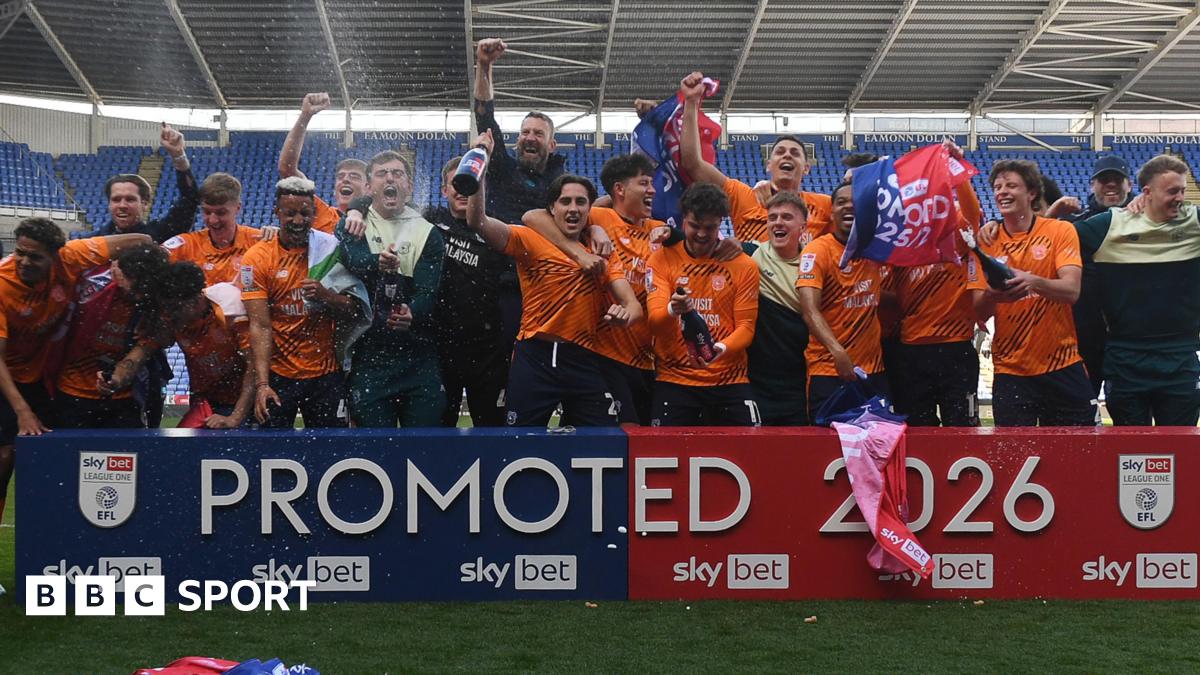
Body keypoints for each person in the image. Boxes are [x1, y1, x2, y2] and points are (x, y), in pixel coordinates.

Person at [467, 147, 641, 427]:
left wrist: (626, 315)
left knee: (600, 440)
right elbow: (478, 221)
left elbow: (632, 305)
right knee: (520, 440)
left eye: (581, 202)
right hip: (535, 357)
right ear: (552, 208)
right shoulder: (529, 240)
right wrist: (479, 171)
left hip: (583, 357)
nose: (573, 208)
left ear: (590, 210)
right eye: (565, 201)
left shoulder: (602, 251)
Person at [0, 219, 149, 529]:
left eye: (35, 256)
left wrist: (137, 275)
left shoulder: (72, 256)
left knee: (50, 456)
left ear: (55, 255)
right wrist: (23, 412)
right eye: (20, 253)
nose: (24, 262)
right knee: (4, 458)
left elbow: (143, 240)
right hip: (6, 377)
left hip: (40, 376)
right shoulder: (2, 283)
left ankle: (55, 535)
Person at [525, 154, 662, 425]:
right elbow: (533, 216)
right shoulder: (598, 216)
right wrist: (592, 233)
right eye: (644, 183)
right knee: (619, 433)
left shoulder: (660, 230)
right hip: (605, 355)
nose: (652, 190)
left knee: (646, 438)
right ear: (620, 189)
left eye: (652, 183)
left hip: (648, 358)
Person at [1075, 154, 1200, 426]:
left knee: (1180, 447)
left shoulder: (1195, 223)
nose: (1180, 198)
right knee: (1130, 448)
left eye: (1182, 190)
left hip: (1180, 358)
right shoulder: (1111, 225)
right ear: (1147, 192)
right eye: (1172, 191)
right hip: (1126, 359)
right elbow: (1053, 239)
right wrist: (999, 225)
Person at [968, 160, 1094, 427]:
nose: (1002, 191)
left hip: (1062, 365)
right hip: (1011, 371)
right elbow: (978, 311)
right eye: (997, 187)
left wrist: (1033, 282)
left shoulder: (1060, 231)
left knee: (1077, 449)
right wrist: (992, 295)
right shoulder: (986, 242)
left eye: (1011, 185)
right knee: (1014, 451)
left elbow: (1071, 290)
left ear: (1032, 193)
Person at [473, 38, 570, 355]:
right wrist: (484, 66)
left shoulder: (562, 184)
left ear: (551, 145)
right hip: (498, 282)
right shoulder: (503, 168)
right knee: (497, 362)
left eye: (538, 133)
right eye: (525, 132)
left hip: (543, 286)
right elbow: (485, 116)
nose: (530, 137)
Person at [337, 151, 445, 428]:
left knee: (423, 445)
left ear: (409, 186)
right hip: (370, 357)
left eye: (397, 174)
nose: (390, 179)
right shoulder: (354, 222)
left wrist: (412, 311)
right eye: (382, 174)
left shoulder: (427, 232)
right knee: (374, 446)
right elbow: (352, 258)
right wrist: (378, 263)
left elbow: (428, 291)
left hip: (418, 357)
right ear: (369, 186)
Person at [242, 177, 359, 428]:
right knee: (271, 447)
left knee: (332, 447)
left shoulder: (330, 249)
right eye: (290, 213)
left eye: (305, 213)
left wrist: (327, 297)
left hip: (326, 374)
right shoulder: (257, 258)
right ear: (277, 212)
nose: (298, 221)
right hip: (278, 375)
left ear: (314, 213)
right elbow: (260, 326)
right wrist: (262, 384)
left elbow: (356, 310)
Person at [646, 183, 761, 426]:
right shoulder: (661, 259)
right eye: (694, 225)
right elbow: (655, 324)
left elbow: (746, 328)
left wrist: (718, 348)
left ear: (721, 223)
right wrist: (672, 310)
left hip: (730, 380)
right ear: (683, 220)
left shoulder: (744, 266)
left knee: (751, 448)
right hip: (675, 379)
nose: (701, 234)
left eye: (709, 227)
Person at [888, 141, 983, 427]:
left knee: (962, 429)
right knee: (918, 431)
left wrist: (955, 166)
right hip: (911, 349)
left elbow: (973, 213)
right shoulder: (898, 237)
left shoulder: (957, 232)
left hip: (956, 347)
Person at [678, 71, 831, 244]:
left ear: (806, 168)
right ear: (768, 165)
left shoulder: (824, 206)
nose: (787, 155)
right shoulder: (744, 197)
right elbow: (693, 164)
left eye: (795, 153)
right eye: (780, 152)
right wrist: (691, 101)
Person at [101, 262, 254, 429]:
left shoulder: (231, 312)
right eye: (166, 307)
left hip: (248, 399)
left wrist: (235, 417)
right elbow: (141, 352)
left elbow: (255, 367)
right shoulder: (172, 318)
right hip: (207, 400)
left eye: (175, 308)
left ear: (198, 299)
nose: (170, 314)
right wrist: (115, 379)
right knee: (176, 438)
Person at [426, 156, 512, 427]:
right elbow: (380, 206)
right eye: (457, 183)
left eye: (472, 183)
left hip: (488, 349)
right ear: (444, 190)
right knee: (439, 431)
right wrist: (357, 209)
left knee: (492, 431)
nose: (464, 190)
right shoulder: (429, 220)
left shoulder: (496, 229)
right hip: (441, 347)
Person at [797, 181, 889, 419]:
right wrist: (838, 352)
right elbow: (809, 310)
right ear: (832, 212)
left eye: (855, 202)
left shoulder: (875, 249)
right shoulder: (817, 251)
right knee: (827, 441)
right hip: (829, 370)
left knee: (879, 438)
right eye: (841, 202)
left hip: (872, 370)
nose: (849, 206)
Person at [56, 243, 169, 429]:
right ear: (119, 272)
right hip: (72, 391)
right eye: (135, 288)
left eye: (145, 290)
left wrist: (115, 379)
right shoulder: (89, 290)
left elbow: (139, 353)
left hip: (124, 398)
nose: (139, 296)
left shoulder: (155, 309)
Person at [744, 192, 810, 425]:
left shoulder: (815, 262)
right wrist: (671, 234)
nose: (778, 222)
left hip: (799, 379)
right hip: (757, 381)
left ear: (803, 226)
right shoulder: (750, 254)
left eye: (787, 217)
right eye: (772, 217)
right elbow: (707, 242)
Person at [279, 92, 368, 234]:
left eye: (354, 176)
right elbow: (287, 170)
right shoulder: (324, 215)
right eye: (340, 176)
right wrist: (305, 116)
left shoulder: (380, 223)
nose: (345, 179)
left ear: (368, 188)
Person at [94, 124, 200, 242]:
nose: (122, 205)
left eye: (130, 199)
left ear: (145, 204)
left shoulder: (160, 235)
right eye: (116, 199)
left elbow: (190, 199)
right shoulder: (92, 243)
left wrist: (178, 156)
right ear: (109, 204)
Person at [162, 172, 262, 285]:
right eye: (207, 212)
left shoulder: (257, 241)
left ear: (238, 208)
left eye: (221, 213)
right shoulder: (186, 245)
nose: (213, 220)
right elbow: (152, 265)